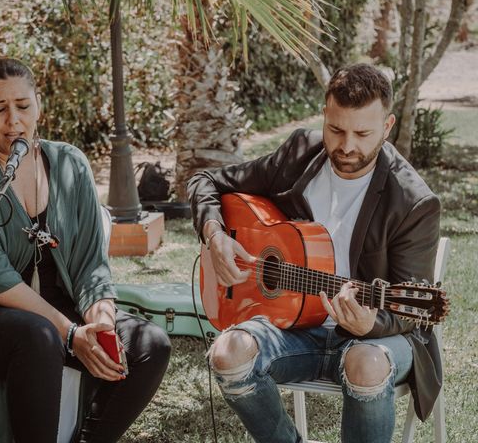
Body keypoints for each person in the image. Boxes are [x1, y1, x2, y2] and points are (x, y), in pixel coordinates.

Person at [0, 57, 171, 443]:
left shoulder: (70, 163)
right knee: (40, 337)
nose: (14, 121)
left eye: (23, 106)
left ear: (39, 104)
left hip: (56, 311)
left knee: (149, 345)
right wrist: (71, 334)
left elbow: (91, 264)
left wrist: (99, 322)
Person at [187, 63, 441, 443]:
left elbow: (412, 312)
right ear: (324, 114)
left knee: (365, 363)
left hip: (375, 340)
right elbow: (205, 180)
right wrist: (214, 234)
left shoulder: (412, 201)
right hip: (295, 329)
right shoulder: (300, 154)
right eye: (336, 129)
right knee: (227, 354)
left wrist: (368, 326)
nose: (347, 145)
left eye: (363, 133)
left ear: (387, 127)